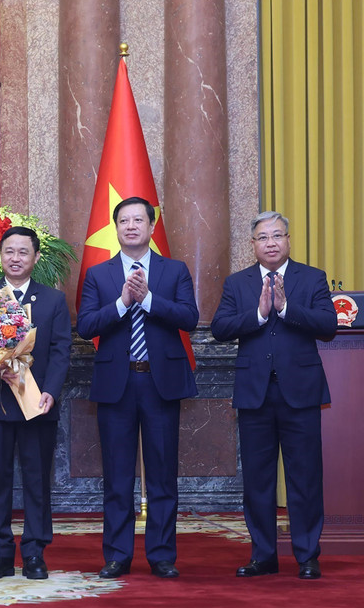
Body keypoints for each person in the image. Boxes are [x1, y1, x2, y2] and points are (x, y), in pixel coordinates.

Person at [77, 196, 198, 579]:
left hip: (160, 382)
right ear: (116, 228)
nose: (131, 226)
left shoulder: (173, 270)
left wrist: (147, 300)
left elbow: (189, 318)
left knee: (163, 475)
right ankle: (117, 554)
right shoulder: (99, 274)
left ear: (150, 226)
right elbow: (86, 326)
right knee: (116, 476)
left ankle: (162, 555)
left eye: (138, 220)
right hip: (118, 383)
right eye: (124, 221)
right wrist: (122, 302)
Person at [211, 211, 337, 580]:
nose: (270, 243)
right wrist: (260, 314)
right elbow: (220, 328)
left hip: (301, 393)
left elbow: (328, 325)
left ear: (288, 240)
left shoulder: (311, 278)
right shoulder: (238, 283)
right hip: (255, 396)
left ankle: (307, 555)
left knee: (305, 478)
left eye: (277, 236)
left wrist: (286, 309)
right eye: (263, 237)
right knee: (258, 480)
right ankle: (263, 555)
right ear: (252, 245)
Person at [0, 227, 71, 580]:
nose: (16, 258)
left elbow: (60, 351)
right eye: (9, 251)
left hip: (39, 403)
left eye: (24, 252)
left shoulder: (52, 300)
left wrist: (51, 390)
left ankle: (35, 552)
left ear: (36, 258)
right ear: (0, 255)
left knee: (37, 479)